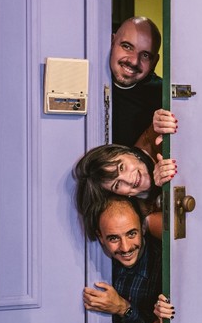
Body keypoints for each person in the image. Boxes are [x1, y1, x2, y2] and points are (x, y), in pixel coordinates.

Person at [82, 195, 165, 323]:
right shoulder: (95, 263)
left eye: (131, 234)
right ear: (100, 237)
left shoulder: (161, 267)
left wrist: (123, 308)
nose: (125, 248)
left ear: (143, 228)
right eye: (114, 238)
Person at [73, 134, 176, 241]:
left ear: (128, 152)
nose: (129, 180)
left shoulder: (154, 135)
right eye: (117, 185)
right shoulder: (141, 214)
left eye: (121, 167)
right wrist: (171, 183)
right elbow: (180, 230)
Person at [110, 16, 178, 147]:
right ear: (112, 42)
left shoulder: (163, 96)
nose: (134, 61)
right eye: (127, 47)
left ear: (154, 62)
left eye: (145, 55)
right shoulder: (92, 81)